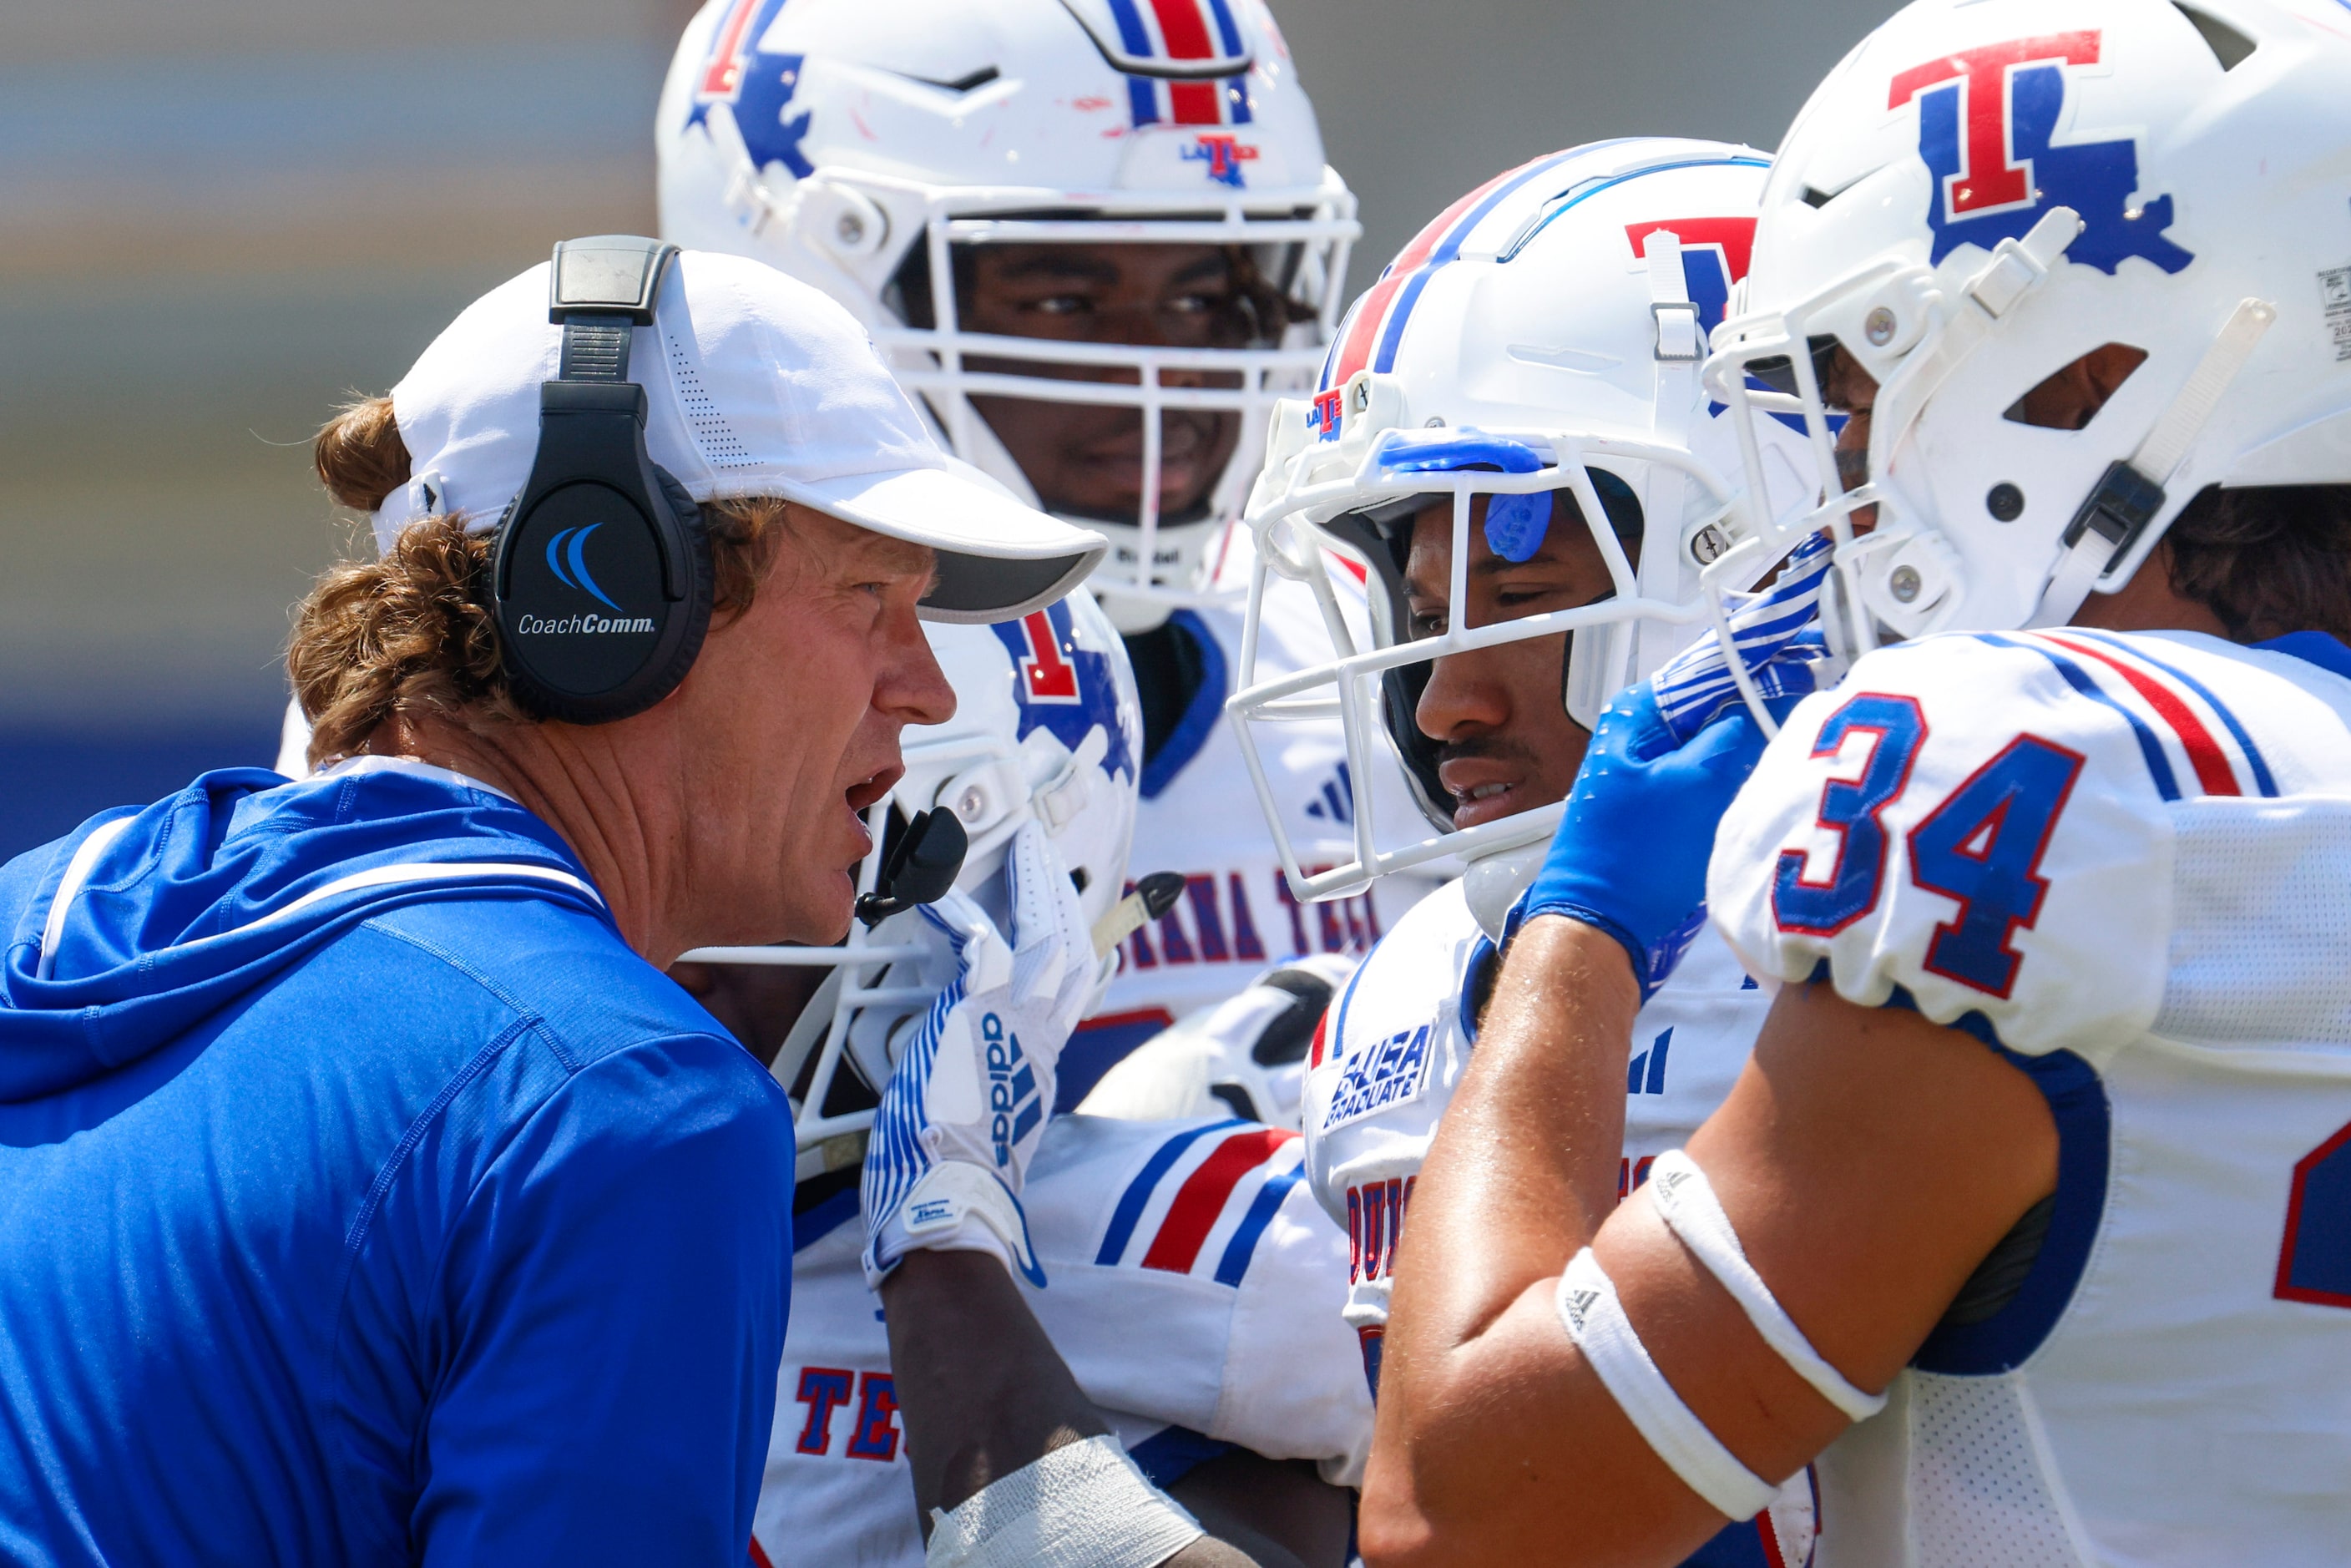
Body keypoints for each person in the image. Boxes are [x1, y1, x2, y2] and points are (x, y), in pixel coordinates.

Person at [1365, 3, 2351, 1563]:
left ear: (2087, 373)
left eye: (1848, 398)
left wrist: (1578, 932)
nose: (1829, 480)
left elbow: (1472, 1509)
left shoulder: (2026, 761)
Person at [0, 239, 1106, 1564]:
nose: (927, 689)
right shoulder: (637, 1104)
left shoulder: (34, 909)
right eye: (869, 593)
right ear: (612, 590)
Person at [655, 0, 1439, 1105]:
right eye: (1067, 299)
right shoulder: (662, 717)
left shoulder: (1372, 654)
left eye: (1211, 296)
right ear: (816, 282)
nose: (1171, 378)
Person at [1228, 139, 1826, 1566]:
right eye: (1426, 611)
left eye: (1521, 598)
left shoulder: (1894, 960)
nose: (1443, 702)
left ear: (1751, 560)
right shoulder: (1409, 982)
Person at [673, 591, 1368, 1566]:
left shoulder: (1164, 1235)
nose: (663, 923)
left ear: (992, 897)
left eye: (760, 840)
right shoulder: (563, 1202)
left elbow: (1549, 1420)